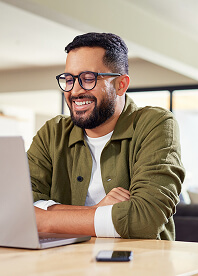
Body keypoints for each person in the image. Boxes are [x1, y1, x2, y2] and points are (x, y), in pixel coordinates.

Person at [28, 32, 185, 240]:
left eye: (88, 79)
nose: (74, 91)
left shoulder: (155, 124)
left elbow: (145, 219)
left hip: (138, 265)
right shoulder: (52, 132)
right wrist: (99, 212)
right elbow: (16, 207)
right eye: (69, 79)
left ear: (121, 84)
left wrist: (44, 220)